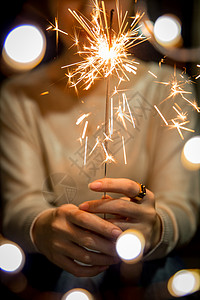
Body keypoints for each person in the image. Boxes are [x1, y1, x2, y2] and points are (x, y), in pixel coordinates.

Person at [0, 0, 199, 298]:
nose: (94, 11)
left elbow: (182, 205)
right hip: (47, 276)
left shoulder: (169, 88)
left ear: (134, 4)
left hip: (149, 275)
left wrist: (155, 228)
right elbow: (18, 205)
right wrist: (42, 228)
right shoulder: (19, 97)